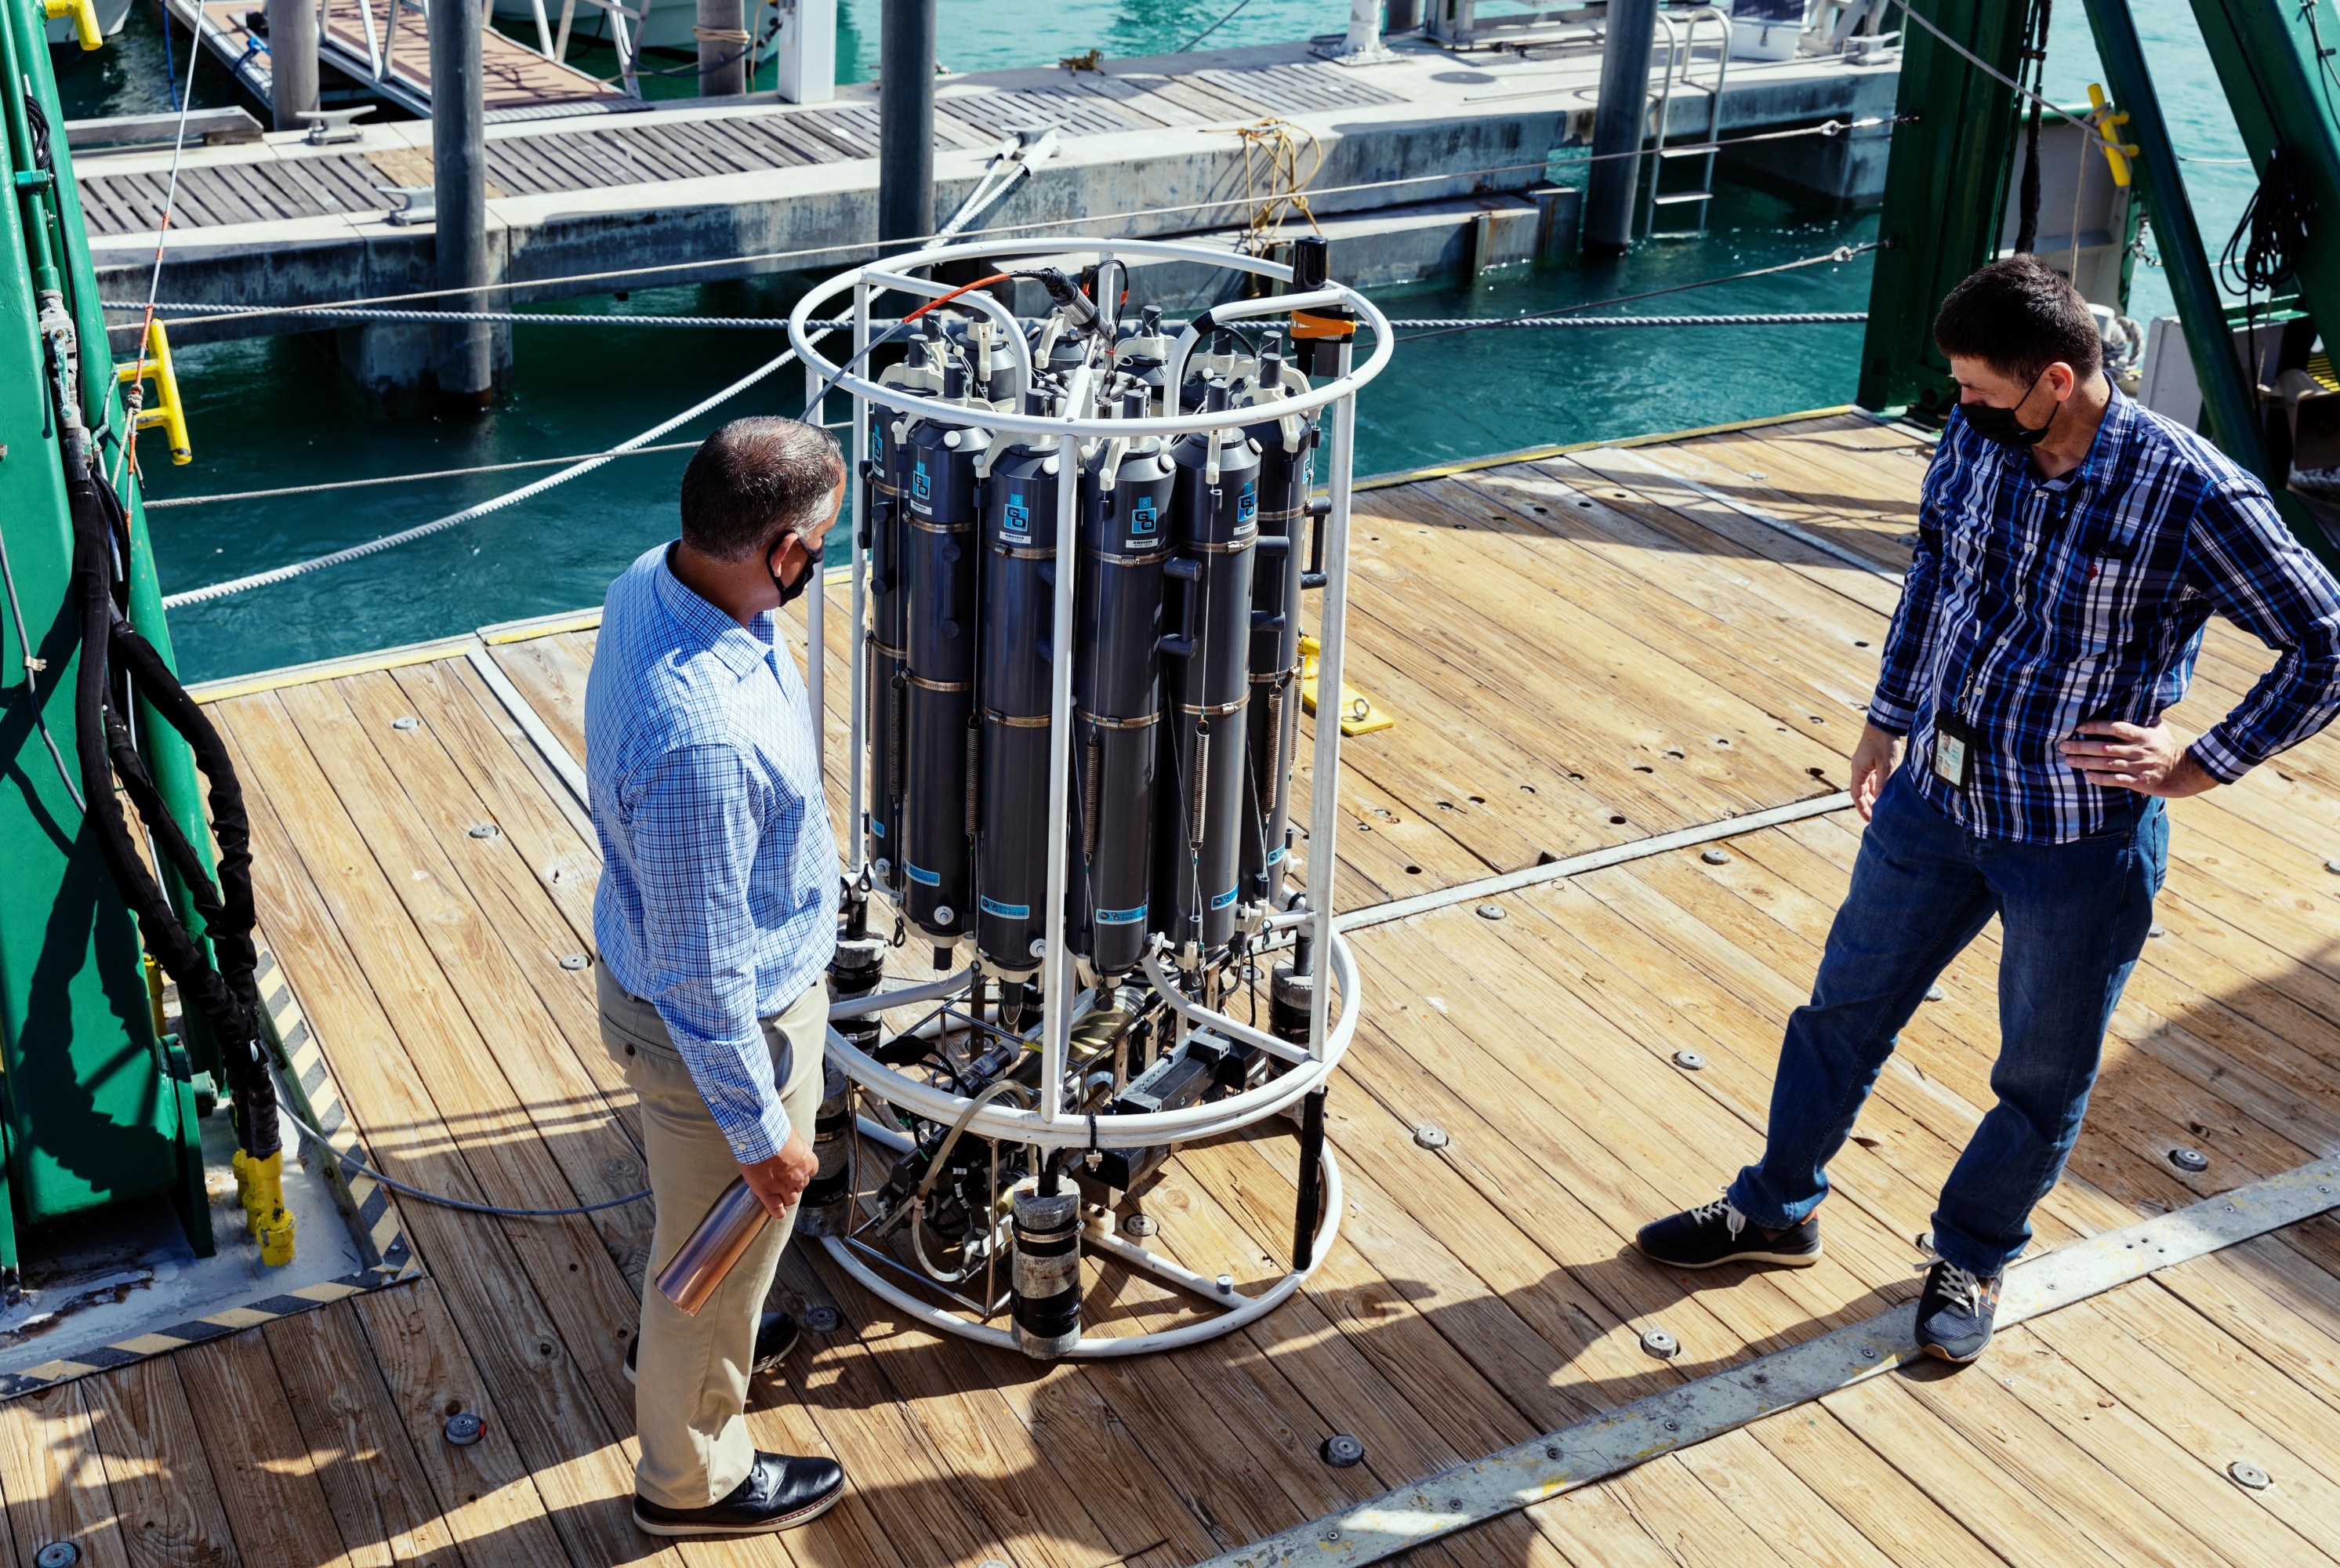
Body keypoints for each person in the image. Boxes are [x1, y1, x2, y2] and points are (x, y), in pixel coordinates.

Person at [1637, 256, 2340, 1363]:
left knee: (2040, 1074)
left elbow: (2326, 641)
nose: (1957, 403)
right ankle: (1775, 1210)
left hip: (2075, 837)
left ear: (2055, 379)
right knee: (1839, 1015)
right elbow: (1934, 574)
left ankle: (1973, 1252)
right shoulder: (1978, 436)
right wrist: (1887, 716)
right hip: (1932, 797)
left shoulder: (2192, 491)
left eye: (1976, 385)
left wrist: (2203, 760)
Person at [586, 416, 849, 1535]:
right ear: (780, 551)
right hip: (723, 1035)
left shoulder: (651, 583)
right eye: (819, 545)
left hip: (653, 979)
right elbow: (704, 978)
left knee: (702, 1244)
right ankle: (691, 1478)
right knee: (715, 1256)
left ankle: (696, 1345)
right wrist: (762, 1135)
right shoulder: (705, 744)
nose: (821, 560)